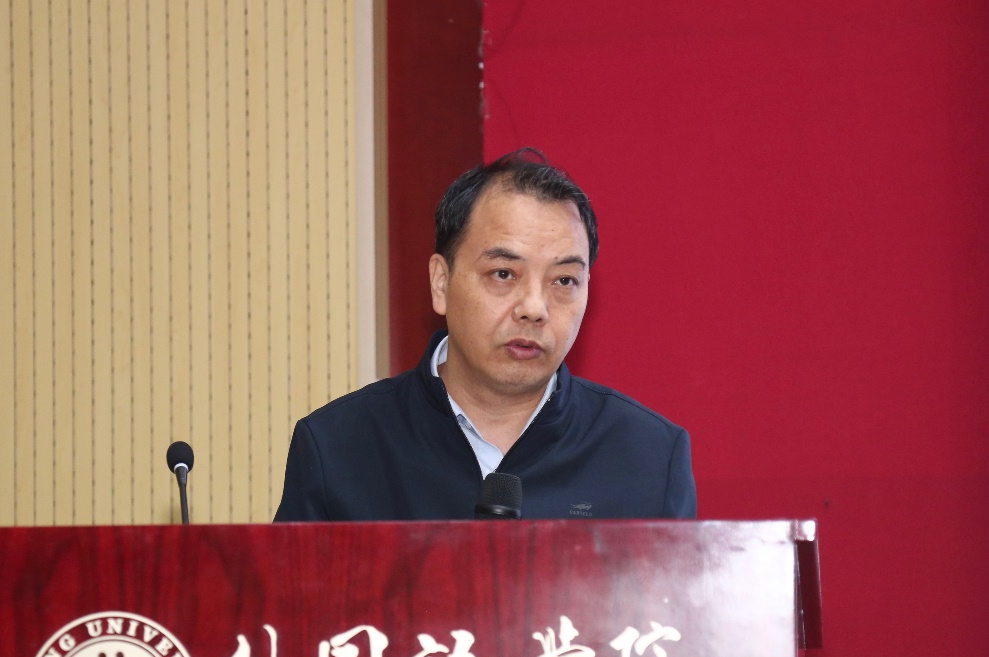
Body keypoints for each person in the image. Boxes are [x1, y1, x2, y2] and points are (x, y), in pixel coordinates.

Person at [273, 149, 696, 521]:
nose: (534, 308)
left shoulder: (649, 457)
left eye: (564, 281)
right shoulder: (339, 447)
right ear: (441, 282)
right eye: (503, 274)